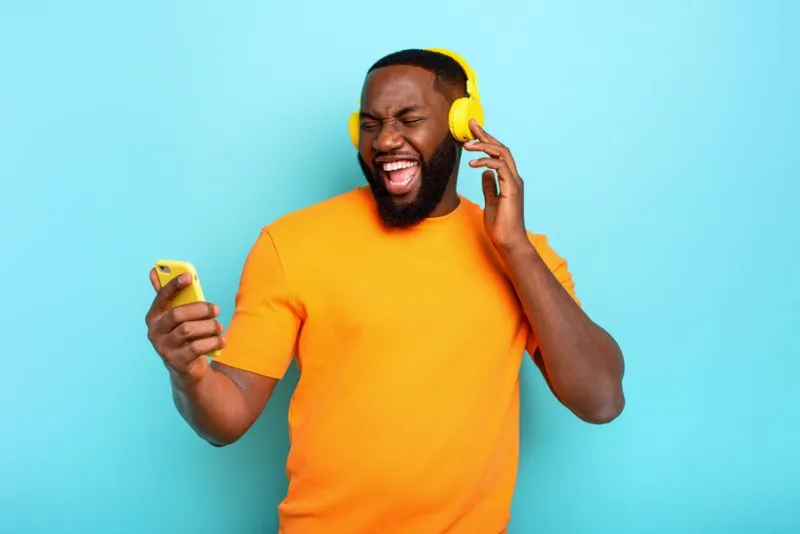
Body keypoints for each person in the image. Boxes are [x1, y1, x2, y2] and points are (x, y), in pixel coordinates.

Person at [145, 48, 625, 534]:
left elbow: (601, 399)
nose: (386, 140)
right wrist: (188, 374)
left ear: (464, 125)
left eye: (408, 118)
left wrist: (516, 249)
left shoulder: (523, 257)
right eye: (371, 123)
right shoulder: (291, 244)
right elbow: (226, 419)